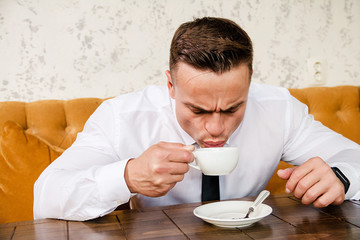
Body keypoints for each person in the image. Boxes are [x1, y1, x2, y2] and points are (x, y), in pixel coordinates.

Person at [34, 17, 360, 221]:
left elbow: (353, 160)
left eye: (233, 108)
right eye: (198, 110)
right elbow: (47, 197)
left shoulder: (278, 108)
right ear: (170, 85)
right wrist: (128, 177)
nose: (216, 128)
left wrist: (342, 177)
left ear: (249, 86)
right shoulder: (123, 117)